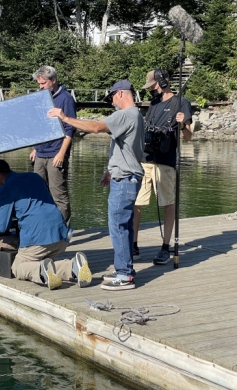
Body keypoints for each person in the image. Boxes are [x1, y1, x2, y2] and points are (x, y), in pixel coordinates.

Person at [48, 80, 145, 291]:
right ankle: (124, 269)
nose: (111, 104)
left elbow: (95, 128)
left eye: (111, 98)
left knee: (118, 227)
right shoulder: (137, 115)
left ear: (120, 94)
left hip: (125, 180)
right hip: (127, 176)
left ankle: (125, 275)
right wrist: (110, 170)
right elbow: (129, 150)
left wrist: (65, 117)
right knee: (124, 227)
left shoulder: (126, 114)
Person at [0, 159, 92, 290]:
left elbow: (1, 227)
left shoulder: (5, 189)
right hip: (61, 235)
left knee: (18, 267)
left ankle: (40, 270)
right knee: (42, 263)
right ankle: (73, 267)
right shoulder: (34, 177)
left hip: (38, 239)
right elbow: (28, 203)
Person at [133, 69, 193, 265]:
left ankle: (165, 247)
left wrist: (182, 125)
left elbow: (189, 136)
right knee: (136, 203)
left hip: (166, 162)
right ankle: (133, 245)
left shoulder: (181, 102)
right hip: (146, 159)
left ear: (162, 83)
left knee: (168, 203)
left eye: (153, 86)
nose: (152, 90)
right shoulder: (154, 103)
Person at [29, 65, 77, 225]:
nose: (40, 87)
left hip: (56, 153)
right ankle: (45, 230)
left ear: (53, 80)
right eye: (39, 84)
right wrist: (35, 148)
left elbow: (70, 129)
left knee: (58, 195)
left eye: (43, 83)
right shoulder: (42, 97)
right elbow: (41, 126)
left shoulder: (66, 98)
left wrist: (62, 154)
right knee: (38, 193)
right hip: (41, 154)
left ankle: (64, 231)